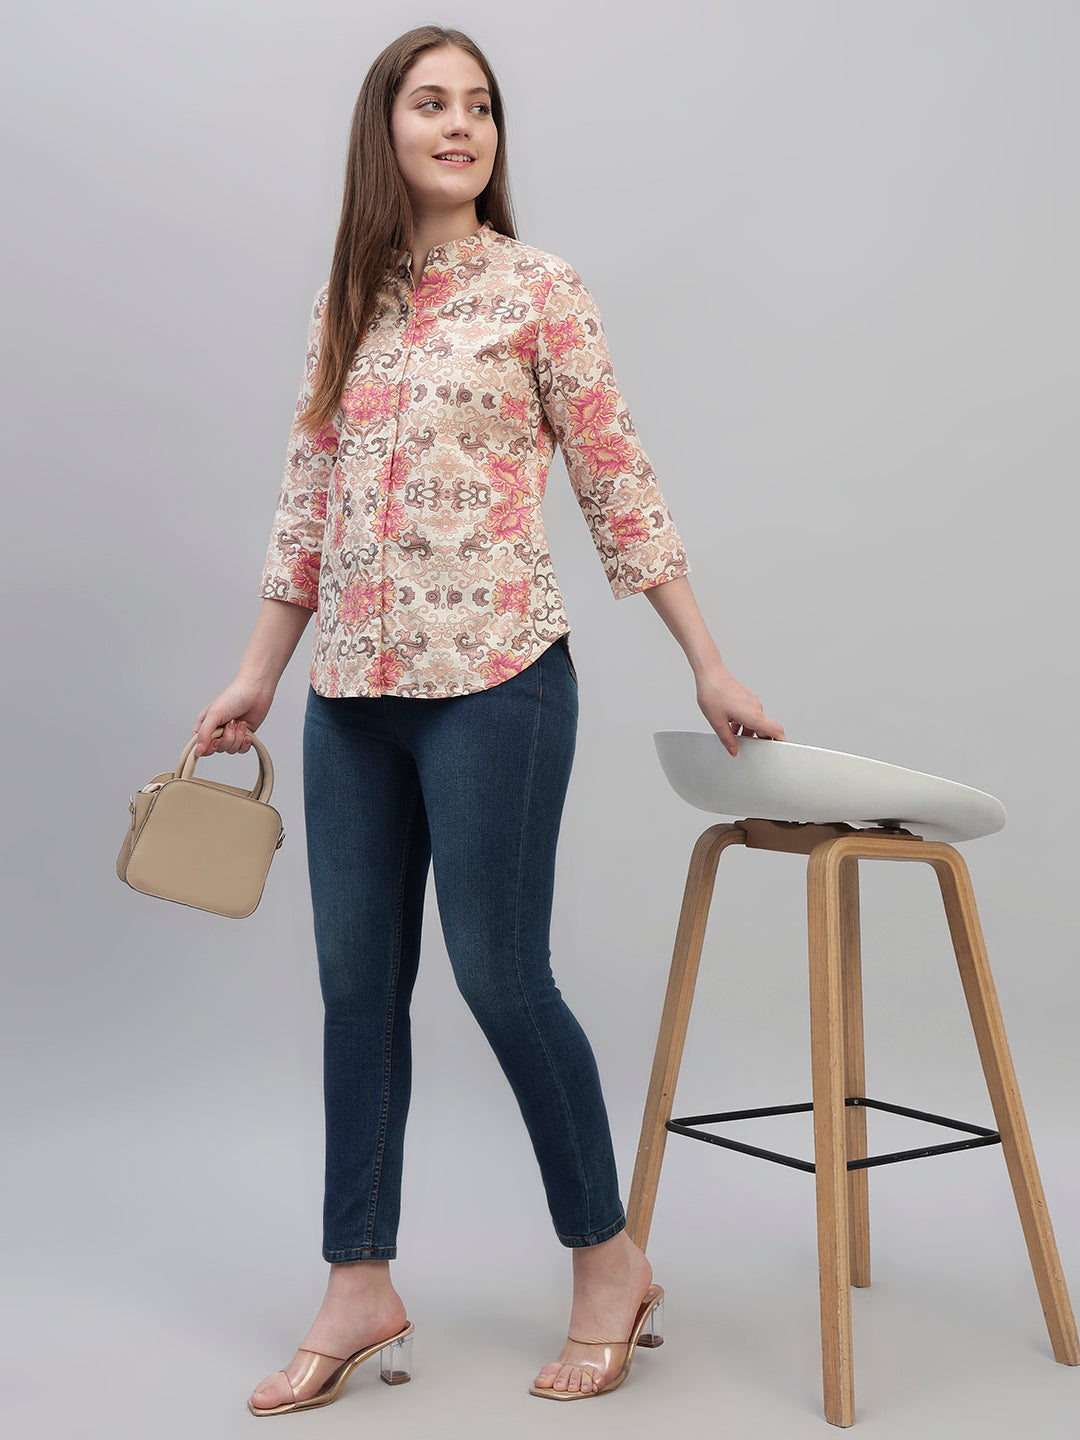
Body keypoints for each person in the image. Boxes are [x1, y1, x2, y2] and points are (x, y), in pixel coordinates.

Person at [193, 24, 785, 1416]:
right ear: (385, 130)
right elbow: (307, 501)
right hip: (350, 697)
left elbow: (616, 477)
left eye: (479, 105)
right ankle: (358, 1283)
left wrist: (706, 660)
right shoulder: (349, 302)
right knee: (355, 990)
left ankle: (608, 1260)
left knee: (501, 975)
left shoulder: (541, 290)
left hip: (498, 683)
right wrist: (258, 673)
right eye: (431, 103)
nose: (459, 125)